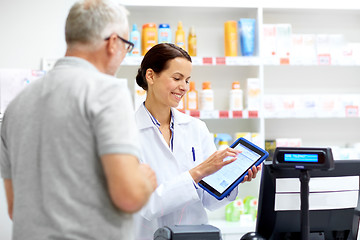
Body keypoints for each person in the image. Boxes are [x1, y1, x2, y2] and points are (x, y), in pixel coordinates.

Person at [0, 0, 157, 239]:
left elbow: (14, 208)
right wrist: (144, 180)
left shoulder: (16, 106)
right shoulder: (106, 91)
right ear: (113, 43)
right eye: (127, 46)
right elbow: (129, 196)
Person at [134, 43, 261, 239]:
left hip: (196, 234)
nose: (184, 87)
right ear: (150, 76)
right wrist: (197, 173)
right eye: (177, 78)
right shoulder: (127, 132)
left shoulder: (196, 128)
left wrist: (232, 180)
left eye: (187, 80)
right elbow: (144, 205)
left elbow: (209, 201)